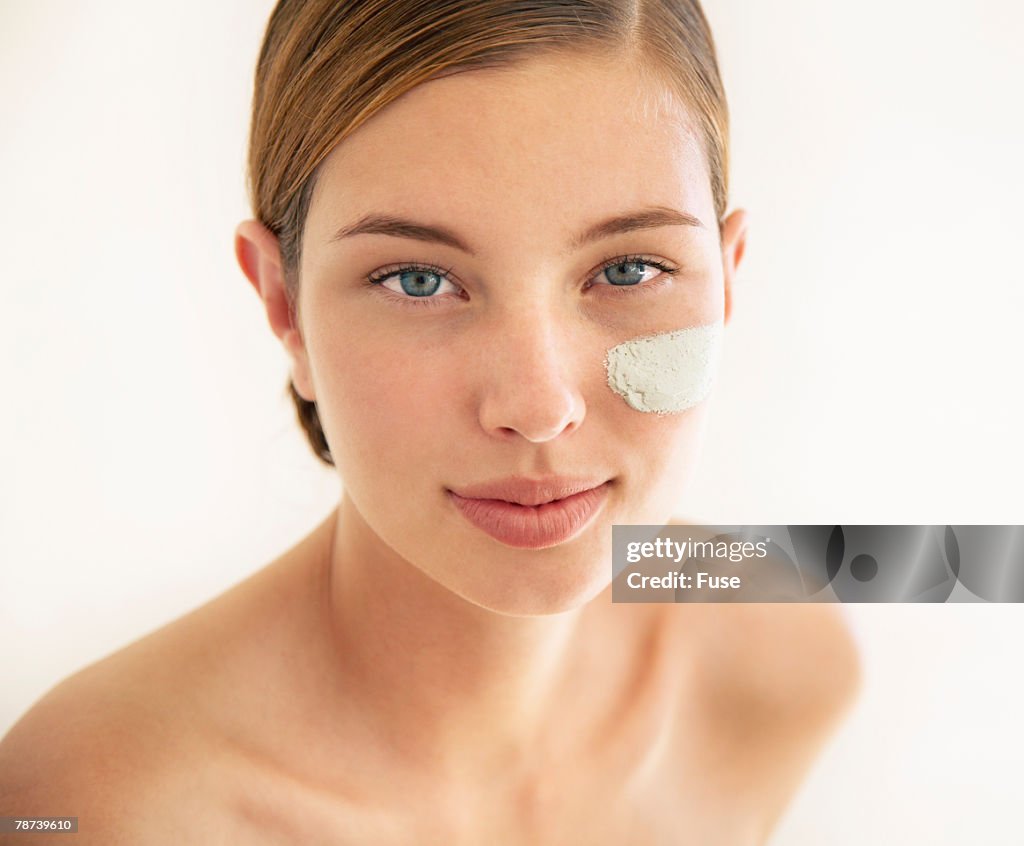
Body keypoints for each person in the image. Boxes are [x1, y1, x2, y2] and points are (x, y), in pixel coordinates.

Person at [0, 1, 861, 841]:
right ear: (283, 305)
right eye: (418, 280)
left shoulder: (787, 655)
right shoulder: (89, 806)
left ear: (728, 280)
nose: (536, 408)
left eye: (630, 269)